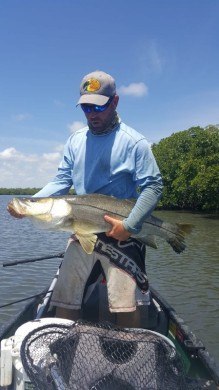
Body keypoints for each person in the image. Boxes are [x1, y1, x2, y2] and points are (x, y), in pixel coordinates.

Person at [10, 70, 163, 327]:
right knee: (65, 295)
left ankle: (129, 349)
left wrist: (130, 226)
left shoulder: (135, 142)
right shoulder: (75, 141)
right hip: (82, 225)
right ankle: (61, 344)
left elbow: (153, 186)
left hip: (122, 231)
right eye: (86, 107)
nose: (92, 114)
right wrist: (30, 203)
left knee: (124, 302)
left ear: (114, 102)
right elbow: (61, 181)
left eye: (98, 106)